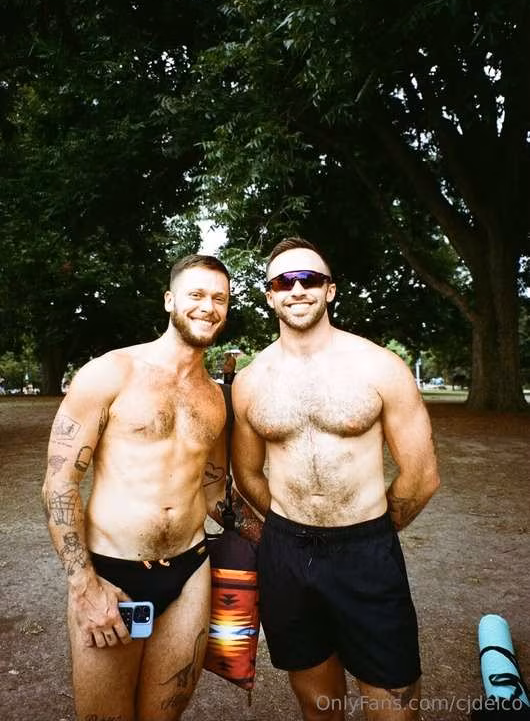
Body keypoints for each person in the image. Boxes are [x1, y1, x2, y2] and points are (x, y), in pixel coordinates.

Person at [231, 237, 440, 721]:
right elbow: (247, 472)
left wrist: (371, 531)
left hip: (367, 550)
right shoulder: (250, 380)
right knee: (318, 704)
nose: (297, 290)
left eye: (310, 279)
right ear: (269, 296)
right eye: (284, 282)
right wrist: (286, 529)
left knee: (394, 702)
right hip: (287, 556)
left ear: (330, 290)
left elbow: (422, 475)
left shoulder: (379, 366)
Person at [42, 254, 233, 721]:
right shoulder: (111, 373)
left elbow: (214, 491)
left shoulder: (215, 397)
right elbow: (60, 484)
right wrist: (84, 586)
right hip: (112, 575)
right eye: (196, 294)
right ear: (169, 300)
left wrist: (279, 537)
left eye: (220, 298)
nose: (208, 306)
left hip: (189, 572)